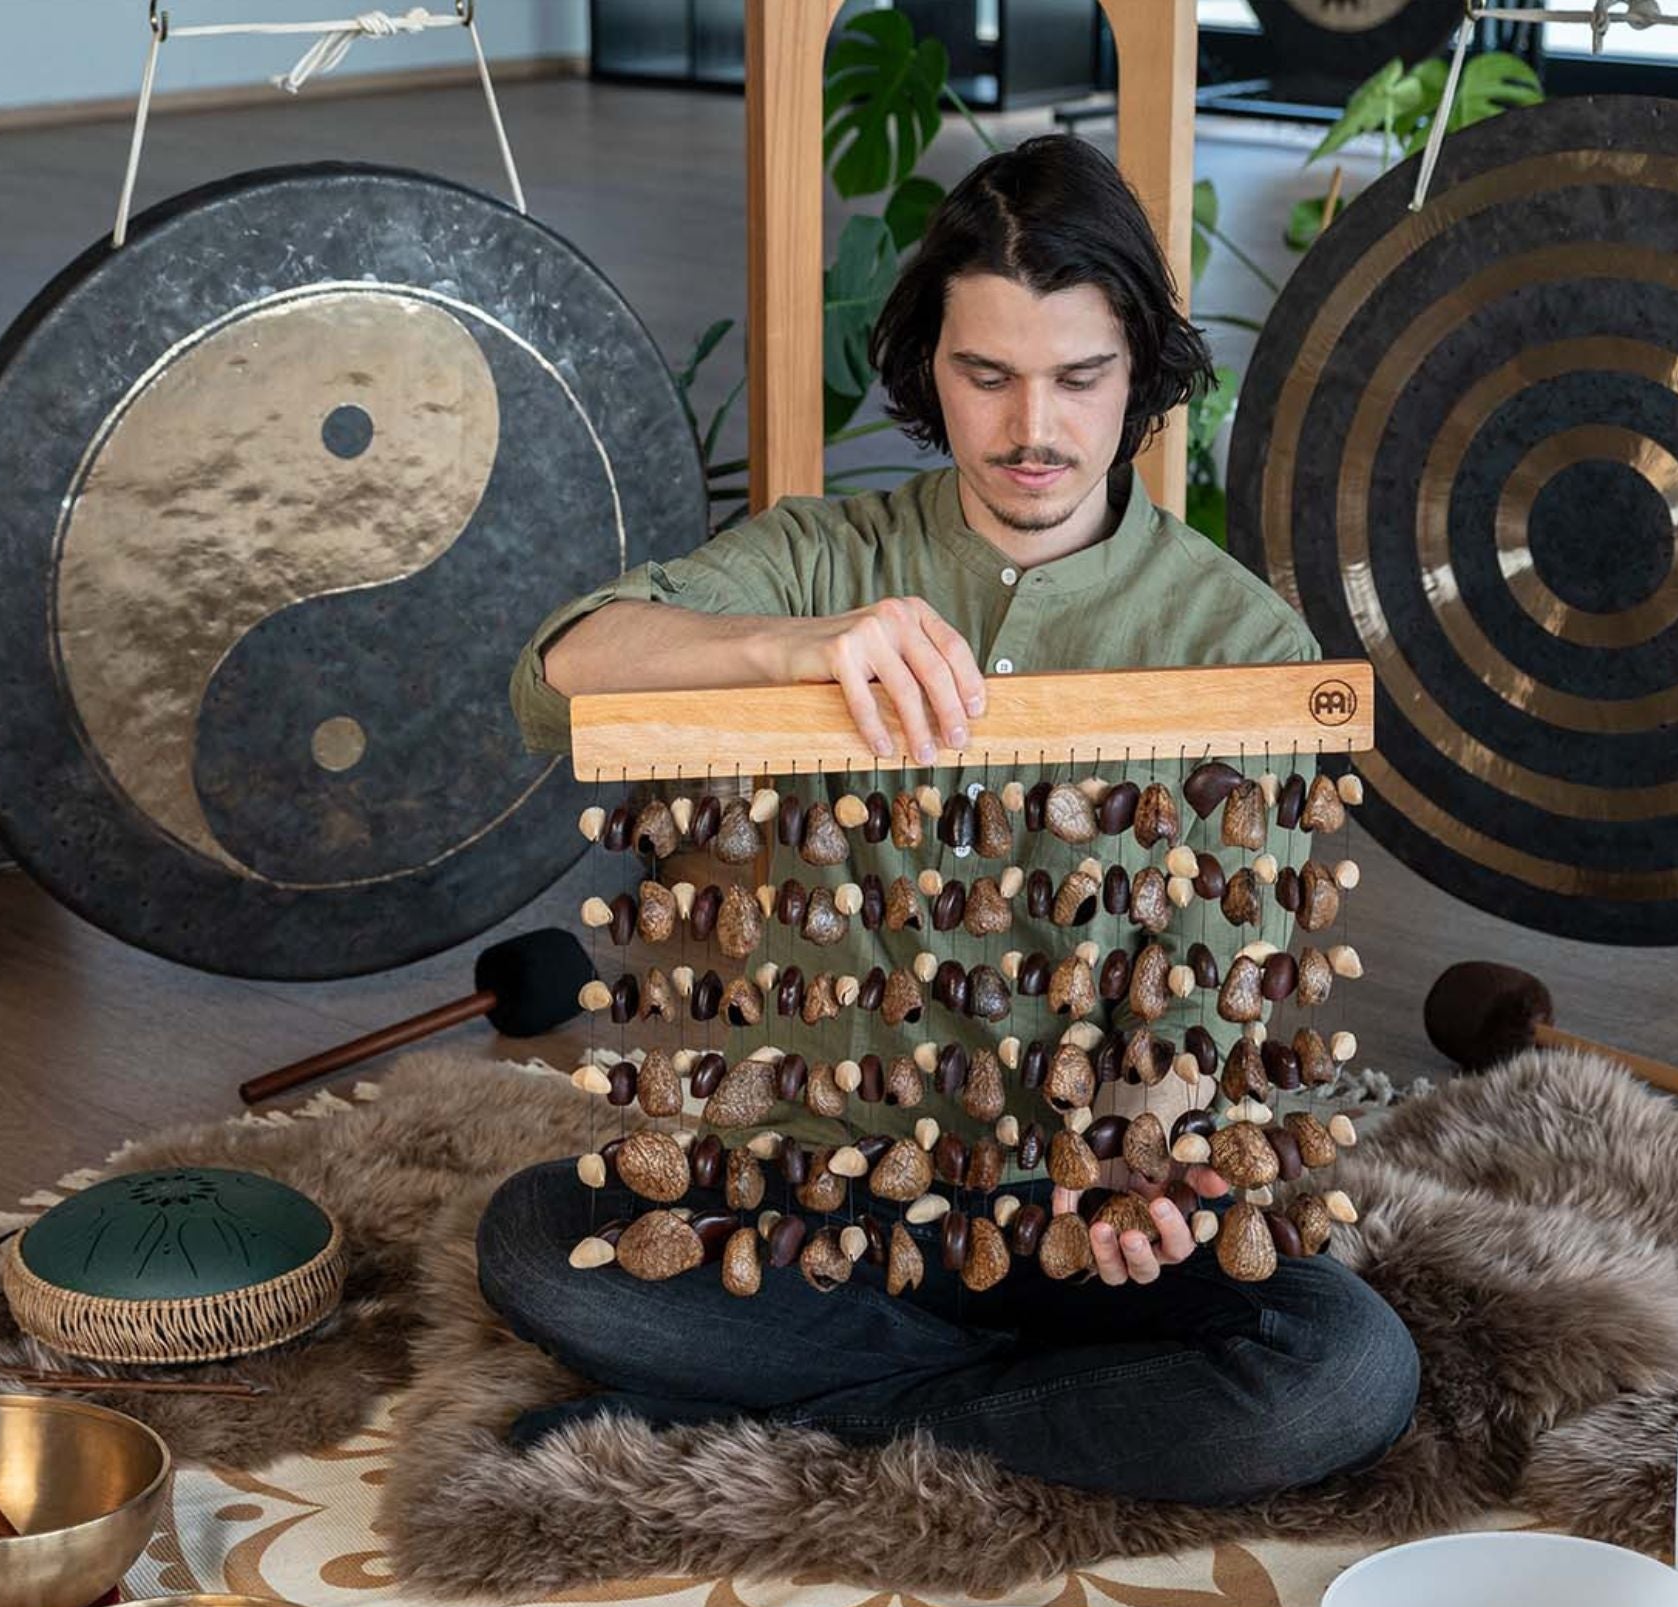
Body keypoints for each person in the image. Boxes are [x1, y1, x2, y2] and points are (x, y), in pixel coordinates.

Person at [480, 134, 1418, 1505]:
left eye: (1078, 378)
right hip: (818, 1189)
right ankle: (989, 1414)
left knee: (1343, 1369)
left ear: (1139, 373)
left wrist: (1146, 1185)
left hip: (1081, 1209)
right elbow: (553, 678)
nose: (1032, 428)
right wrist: (792, 649)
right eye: (988, 375)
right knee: (534, 1236)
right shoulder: (826, 560)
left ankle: (803, 1405)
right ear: (931, 367)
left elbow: (1214, 1006)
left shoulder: (1238, 641)